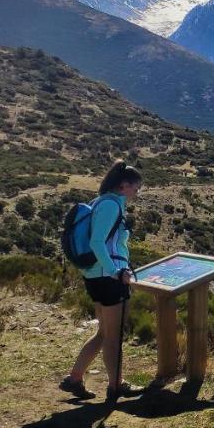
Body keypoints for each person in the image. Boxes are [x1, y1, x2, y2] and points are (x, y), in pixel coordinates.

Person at [59, 160, 146, 401]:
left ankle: (75, 378)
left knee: (103, 332)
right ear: (123, 186)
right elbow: (98, 242)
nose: (136, 194)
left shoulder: (100, 202)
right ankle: (116, 385)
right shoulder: (110, 206)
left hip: (95, 276)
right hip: (109, 279)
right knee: (113, 336)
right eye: (135, 189)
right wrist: (116, 271)